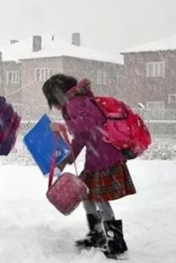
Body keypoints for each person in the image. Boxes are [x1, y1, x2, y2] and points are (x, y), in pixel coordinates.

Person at [42, 74, 136, 257]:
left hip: (104, 158)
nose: (53, 105)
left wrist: (63, 125)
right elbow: (82, 137)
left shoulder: (76, 102)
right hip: (97, 157)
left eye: (52, 100)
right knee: (87, 196)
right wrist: (66, 160)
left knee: (100, 199)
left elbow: (90, 122)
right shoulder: (77, 102)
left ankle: (115, 244)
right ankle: (97, 235)